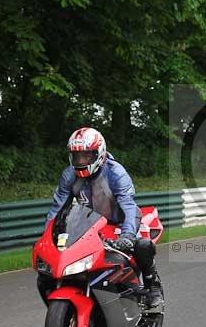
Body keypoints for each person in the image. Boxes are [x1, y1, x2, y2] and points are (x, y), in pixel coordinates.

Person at [44, 127, 164, 307]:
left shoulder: (116, 173)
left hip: (121, 221)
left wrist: (127, 235)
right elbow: (57, 208)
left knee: (141, 245)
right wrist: (47, 236)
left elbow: (128, 205)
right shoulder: (70, 174)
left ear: (99, 153)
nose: (81, 160)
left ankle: (152, 285)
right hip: (91, 224)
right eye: (77, 156)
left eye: (86, 156)